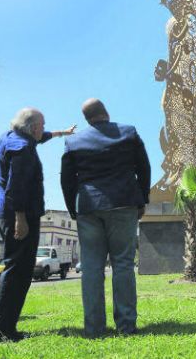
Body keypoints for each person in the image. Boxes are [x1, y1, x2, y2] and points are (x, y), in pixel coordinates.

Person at [0, 107, 76, 342]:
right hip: (18, 214)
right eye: (42, 125)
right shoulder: (22, 150)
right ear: (32, 127)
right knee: (18, 272)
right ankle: (0, 331)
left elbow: (41, 137)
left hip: (6, 211)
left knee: (18, 269)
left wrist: (61, 133)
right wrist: (20, 219)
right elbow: (17, 185)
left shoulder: (11, 137)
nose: (43, 129)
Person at [60, 98, 151, 338]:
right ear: (106, 113)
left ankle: (94, 328)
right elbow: (144, 167)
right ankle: (126, 326)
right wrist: (142, 199)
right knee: (123, 264)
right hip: (123, 202)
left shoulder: (73, 141)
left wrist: (73, 210)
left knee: (91, 268)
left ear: (87, 119)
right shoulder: (128, 132)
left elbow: (67, 180)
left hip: (88, 206)